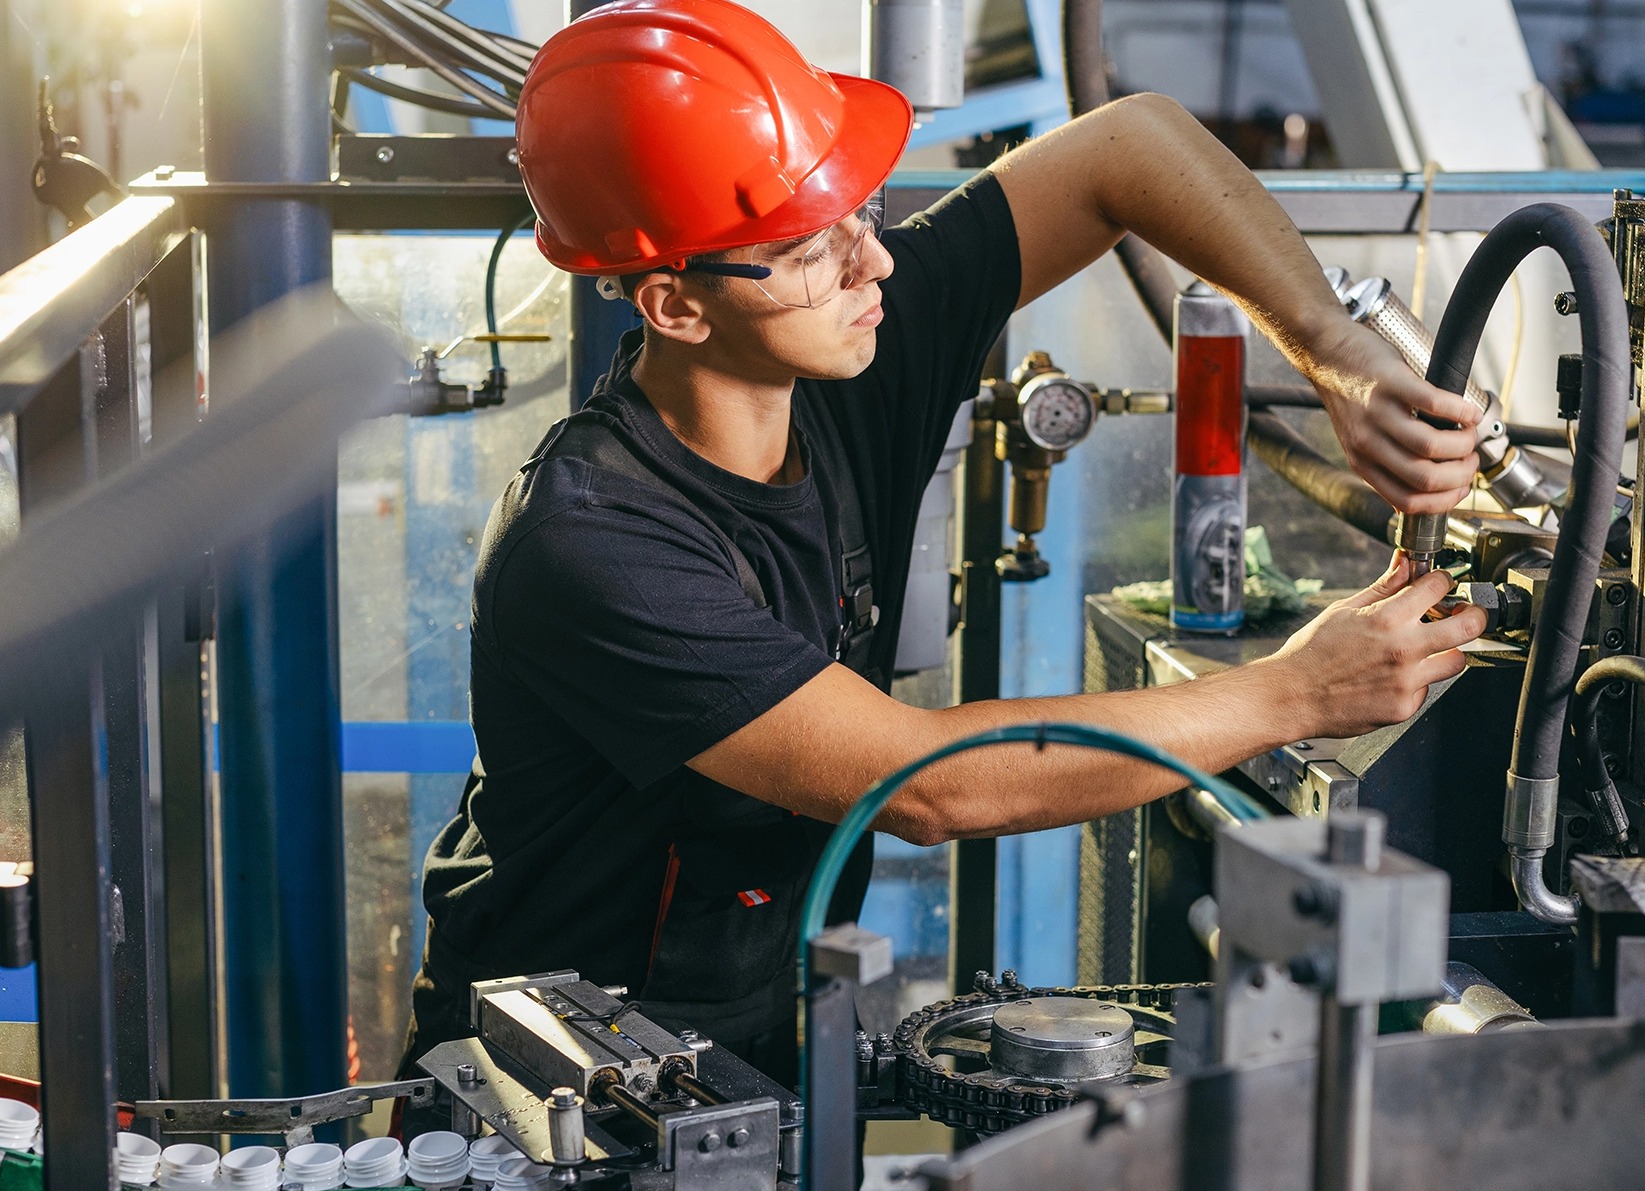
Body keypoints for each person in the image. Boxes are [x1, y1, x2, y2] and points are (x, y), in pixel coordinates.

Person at [400, 0, 1487, 1091]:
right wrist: (1293, 695)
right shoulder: (591, 540)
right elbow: (921, 787)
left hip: (756, 1030)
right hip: (545, 1083)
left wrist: (1338, 351)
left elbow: (1129, 141)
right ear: (675, 306)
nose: (872, 261)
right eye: (810, 247)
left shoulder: (841, 347)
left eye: (858, 209)